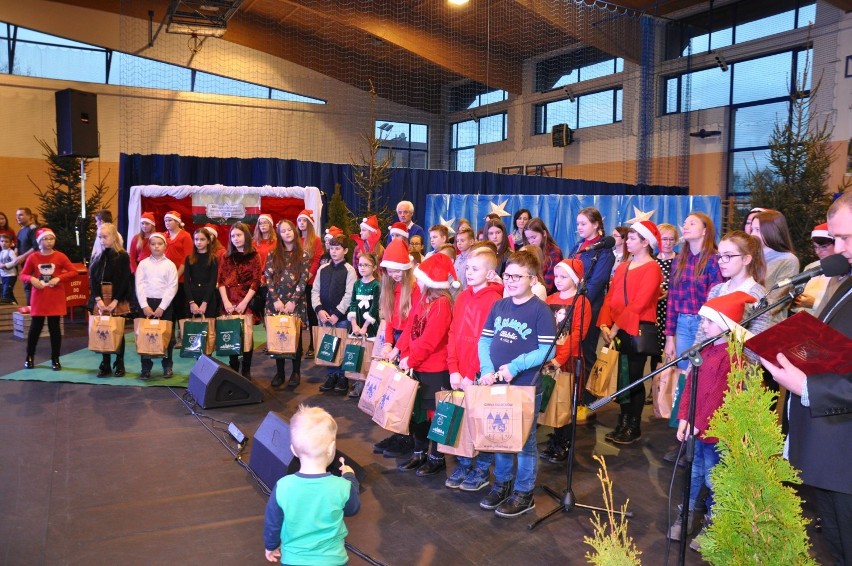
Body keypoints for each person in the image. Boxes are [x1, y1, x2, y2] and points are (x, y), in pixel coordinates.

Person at [761, 192, 852, 566]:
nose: (838, 248)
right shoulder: (845, 281)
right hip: (833, 456)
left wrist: (807, 386)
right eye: (835, 237)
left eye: (846, 238)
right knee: (836, 544)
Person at [669, 291, 757, 547]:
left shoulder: (733, 357)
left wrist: (696, 423)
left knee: (713, 477)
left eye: (708, 321)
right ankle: (684, 515)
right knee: (693, 473)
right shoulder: (704, 350)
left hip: (716, 431)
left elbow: (718, 396)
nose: (703, 325)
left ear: (726, 325)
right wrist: (684, 417)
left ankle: (713, 523)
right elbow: (690, 387)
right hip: (696, 429)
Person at [477, 249, 556, 518]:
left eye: (517, 276)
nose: (509, 281)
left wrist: (515, 366)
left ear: (532, 280)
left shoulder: (540, 310)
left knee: (524, 441)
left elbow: (548, 350)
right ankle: (502, 484)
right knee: (500, 437)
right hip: (498, 385)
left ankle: (524, 492)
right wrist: (487, 369)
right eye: (507, 275)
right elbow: (485, 340)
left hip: (525, 385)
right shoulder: (499, 305)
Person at [263, 405, 360, 565]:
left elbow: (273, 522)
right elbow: (353, 508)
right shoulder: (342, 486)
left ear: (293, 450)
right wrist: (350, 478)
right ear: (331, 448)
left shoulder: (283, 486)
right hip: (333, 561)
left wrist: (271, 546)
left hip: (294, 560)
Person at [599, 220, 663, 444]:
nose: (627, 241)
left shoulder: (653, 268)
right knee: (621, 377)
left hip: (635, 329)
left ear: (646, 242)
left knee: (634, 378)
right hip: (618, 328)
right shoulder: (624, 266)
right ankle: (623, 420)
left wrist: (615, 326)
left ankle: (632, 425)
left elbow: (639, 303)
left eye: (633, 238)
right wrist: (605, 323)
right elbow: (611, 296)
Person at [444, 246, 502, 491]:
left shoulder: (495, 301)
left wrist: (470, 373)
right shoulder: (463, 297)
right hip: (460, 372)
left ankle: (481, 468)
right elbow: (454, 332)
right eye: (467, 268)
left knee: (481, 420)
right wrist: (453, 368)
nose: (468, 273)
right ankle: (465, 462)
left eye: (475, 269)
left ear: (490, 274)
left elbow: (486, 342)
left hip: (479, 374)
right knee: (464, 419)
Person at [394, 253, 456, 477]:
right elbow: (411, 327)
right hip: (418, 365)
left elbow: (430, 341)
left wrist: (410, 359)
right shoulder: (422, 300)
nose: (416, 280)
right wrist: (399, 349)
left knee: (434, 416)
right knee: (418, 413)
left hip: (435, 369)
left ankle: (436, 457)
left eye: (420, 277)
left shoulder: (441, 305)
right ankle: (419, 453)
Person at [541, 258, 592, 463]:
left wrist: (560, 359)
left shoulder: (581, 302)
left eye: (564, 277)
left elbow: (578, 333)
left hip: (569, 359)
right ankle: (556, 437)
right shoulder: (550, 299)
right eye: (556, 276)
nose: (558, 280)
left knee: (566, 401)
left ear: (574, 279)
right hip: (550, 357)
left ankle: (564, 443)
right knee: (553, 399)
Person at [374, 239, 420, 458]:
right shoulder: (389, 286)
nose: (393, 274)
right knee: (393, 391)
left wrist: (398, 348)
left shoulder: (415, 287)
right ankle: (397, 431)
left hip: (411, 342)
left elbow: (412, 325)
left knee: (405, 392)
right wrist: (388, 343)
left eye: (396, 270)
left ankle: (407, 438)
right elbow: (391, 320)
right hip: (398, 341)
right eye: (389, 271)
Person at [692, 231, 771, 357]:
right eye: (720, 256)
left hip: (736, 368)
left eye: (727, 256)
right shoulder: (717, 290)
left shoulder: (758, 294)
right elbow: (702, 333)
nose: (720, 261)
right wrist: (693, 366)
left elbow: (756, 341)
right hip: (709, 361)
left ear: (746, 259)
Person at [570, 207, 616, 422]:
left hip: (589, 306)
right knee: (572, 349)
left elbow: (596, 283)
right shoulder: (579, 247)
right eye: (578, 223)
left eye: (583, 223)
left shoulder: (604, 251)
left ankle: (587, 398)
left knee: (587, 351)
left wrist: (579, 300)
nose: (579, 227)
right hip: (572, 305)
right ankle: (573, 392)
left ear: (596, 224)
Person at [20, 227, 76, 370]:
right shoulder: (33, 257)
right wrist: (32, 279)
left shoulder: (60, 256)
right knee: (35, 328)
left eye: (51, 239)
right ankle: (29, 356)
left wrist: (59, 278)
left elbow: (73, 271)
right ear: (39, 241)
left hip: (55, 296)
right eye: (46, 239)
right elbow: (23, 275)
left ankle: (55, 358)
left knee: (55, 328)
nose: (49, 242)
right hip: (39, 297)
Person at [266, 219, 309, 389]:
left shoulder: (303, 254)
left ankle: (295, 372)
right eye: (283, 231)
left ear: (294, 231)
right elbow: (268, 277)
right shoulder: (272, 254)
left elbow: (303, 279)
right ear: (279, 234)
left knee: (294, 338)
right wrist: (276, 299)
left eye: (289, 230)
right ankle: (280, 372)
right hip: (275, 303)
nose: (287, 233)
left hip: (295, 303)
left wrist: (292, 301)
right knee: (278, 336)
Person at [218, 223, 263, 380]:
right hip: (229, 301)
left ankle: (246, 369)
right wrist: (226, 302)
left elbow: (256, 281)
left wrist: (244, 302)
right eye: (233, 236)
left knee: (246, 336)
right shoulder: (225, 256)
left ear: (246, 236)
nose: (235, 239)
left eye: (238, 235)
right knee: (231, 334)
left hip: (246, 299)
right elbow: (221, 281)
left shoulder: (254, 256)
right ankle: (233, 367)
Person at [314, 234, 357, 394]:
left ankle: (342, 377)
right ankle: (331, 375)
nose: (334, 251)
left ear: (345, 250)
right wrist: (319, 310)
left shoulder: (349, 270)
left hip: (341, 317)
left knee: (342, 346)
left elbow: (349, 294)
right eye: (331, 248)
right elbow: (315, 291)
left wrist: (338, 314)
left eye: (337, 248)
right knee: (328, 346)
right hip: (324, 316)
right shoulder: (322, 269)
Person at [88, 223, 132, 377]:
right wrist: (98, 299)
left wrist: (115, 301)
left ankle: (119, 362)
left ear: (114, 237)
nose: (102, 240)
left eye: (105, 237)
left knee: (117, 329)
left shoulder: (123, 256)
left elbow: (125, 280)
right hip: (101, 296)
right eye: (100, 237)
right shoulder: (97, 256)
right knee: (103, 329)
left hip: (116, 296)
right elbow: (92, 279)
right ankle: (105, 362)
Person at [135, 232, 178, 380]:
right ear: (149, 246)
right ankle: (145, 368)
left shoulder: (170, 265)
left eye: (159, 244)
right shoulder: (143, 264)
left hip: (163, 304)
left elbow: (172, 287)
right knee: (145, 335)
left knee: (167, 336)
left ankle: (167, 366)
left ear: (165, 245)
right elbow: (139, 285)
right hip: (146, 303)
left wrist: (162, 307)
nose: (156, 246)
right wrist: (144, 306)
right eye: (153, 244)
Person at [751, 209, 800, 325]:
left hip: (768, 325)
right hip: (745, 322)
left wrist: (747, 308)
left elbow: (778, 300)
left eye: (758, 230)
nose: (752, 234)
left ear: (771, 231)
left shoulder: (788, 260)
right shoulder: (751, 255)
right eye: (752, 229)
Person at [346, 251, 381, 397]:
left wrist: (365, 326)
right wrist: (354, 324)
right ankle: (358, 382)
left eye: (366, 265)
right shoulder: (356, 284)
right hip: (357, 323)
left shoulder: (376, 285)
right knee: (357, 353)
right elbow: (353, 303)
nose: (362, 268)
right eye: (360, 265)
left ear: (374, 267)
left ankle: (369, 386)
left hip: (370, 325)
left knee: (369, 354)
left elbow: (374, 308)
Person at [650, 223, 678, 373]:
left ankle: (670, 385)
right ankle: (656, 385)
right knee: (655, 350)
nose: (667, 243)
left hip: (673, 311)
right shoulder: (652, 261)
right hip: (655, 311)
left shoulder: (680, 260)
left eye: (671, 239)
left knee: (673, 349)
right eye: (664, 239)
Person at [792, 223, 836, 315]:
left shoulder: (845, 271)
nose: (818, 252)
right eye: (815, 247)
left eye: (824, 247)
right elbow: (798, 298)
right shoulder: (811, 267)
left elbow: (842, 308)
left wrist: (814, 303)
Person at [298, 210, 324, 358]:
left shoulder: (316, 240)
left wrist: (308, 276)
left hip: (310, 282)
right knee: (298, 315)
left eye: (304, 220)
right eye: (299, 220)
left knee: (311, 314)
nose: (301, 223)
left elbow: (317, 259)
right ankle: (297, 347)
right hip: (296, 282)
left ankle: (313, 345)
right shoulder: (296, 239)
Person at [163, 211, 193, 325]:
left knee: (180, 307)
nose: (167, 223)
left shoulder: (185, 236)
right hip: (165, 280)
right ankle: (169, 335)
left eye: (170, 220)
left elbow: (187, 258)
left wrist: (175, 276)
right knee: (167, 308)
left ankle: (181, 334)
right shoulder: (163, 236)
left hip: (179, 279)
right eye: (165, 221)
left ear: (177, 222)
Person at [184, 227, 220, 320]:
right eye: (196, 239)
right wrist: (191, 302)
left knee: (209, 329)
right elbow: (186, 282)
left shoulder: (213, 259)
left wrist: (205, 303)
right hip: (193, 296)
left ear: (208, 241)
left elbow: (213, 282)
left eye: (202, 239)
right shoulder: (189, 259)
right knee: (193, 329)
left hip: (208, 297)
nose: (199, 242)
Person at [524, 217, 563, 293]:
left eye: (534, 237)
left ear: (544, 233)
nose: (531, 241)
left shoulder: (554, 253)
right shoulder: (530, 250)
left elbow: (548, 287)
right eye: (528, 238)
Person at [253, 214, 278, 319]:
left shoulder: (276, 242)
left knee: (270, 312)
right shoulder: (254, 242)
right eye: (260, 223)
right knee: (257, 308)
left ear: (270, 225)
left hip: (271, 278)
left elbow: (276, 261)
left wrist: (265, 277)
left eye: (265, 223)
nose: (262, 225)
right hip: (256, 278)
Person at [15, 207, 40, 305]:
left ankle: (33, 308)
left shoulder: (33, 229)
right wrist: (16, 256)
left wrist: (23, 256)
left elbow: (36, 246)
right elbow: (18, 245)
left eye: (21, 215)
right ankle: (30, 307)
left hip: (33, 263)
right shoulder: (21, 230)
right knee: (27, 286)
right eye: (17, 215)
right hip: (24, 263)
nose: (18, 217)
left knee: (31, 287)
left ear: (29, 216)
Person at [453, 226, 475, 291]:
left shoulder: (474, 260)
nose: (459, 243)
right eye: (457, 241)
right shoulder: (456, 258)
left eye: (462, 240)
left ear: (471, 242)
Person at [0, 233, 19, 304]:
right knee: (9, 292)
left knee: (6, 292)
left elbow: (15, 261)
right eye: (2, 241)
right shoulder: (1, 252)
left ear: (11, 243)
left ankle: (12, 305)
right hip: (3, 275)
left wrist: (5, 265)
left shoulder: (11, 252)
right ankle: (15, 304)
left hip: (11, 275)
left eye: (6, 241)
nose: (4, 243)